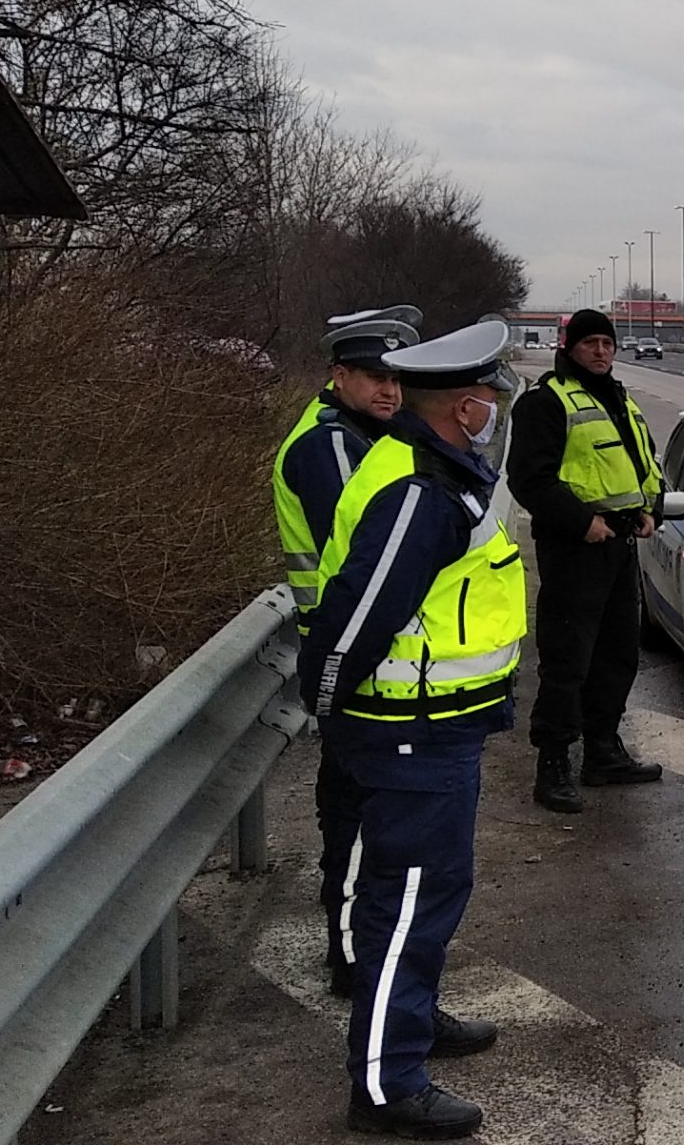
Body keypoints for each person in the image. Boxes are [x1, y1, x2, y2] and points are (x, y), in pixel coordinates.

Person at [303, 319, 521, 1140]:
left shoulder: (436, 470)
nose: (496, 406)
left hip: (425, 728)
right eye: (490, 397)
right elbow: (357, 617)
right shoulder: (420, 490)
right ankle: (387, 1085)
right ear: (464, 408)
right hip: (407, 734)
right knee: (410, 907)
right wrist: (329, 702)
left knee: (408, 898)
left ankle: (412, 1024)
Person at [273, 305, 420, 1002]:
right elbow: (367, 557)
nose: (388, 390)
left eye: (396, 378)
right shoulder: (331, 445)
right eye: (373, 377)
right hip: (353, 662)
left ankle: (369, 956)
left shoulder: (362, 435)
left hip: (362, 658)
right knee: (357, 820)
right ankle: (352, 962)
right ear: (339, 376)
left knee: (371, 818)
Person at [505, 306, 665, 813]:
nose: (601, 351)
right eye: (592, 342)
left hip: (618, 545)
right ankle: (552, 764)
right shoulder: (547, 402)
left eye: (607, 343)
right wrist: (582, 522)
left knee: (617, 656)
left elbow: (641, 464)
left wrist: (648, 510)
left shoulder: (619, 398)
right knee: (567, 660)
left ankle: (602, 751)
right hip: (576, 548)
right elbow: (530, 479)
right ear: (570, 346)